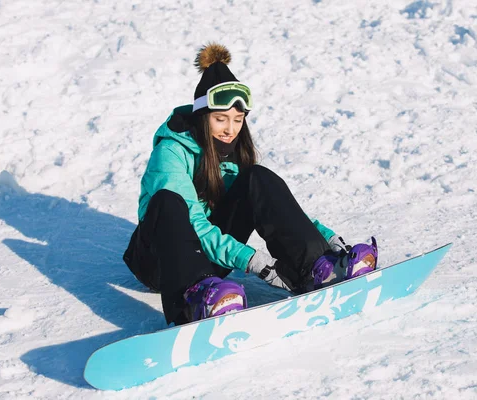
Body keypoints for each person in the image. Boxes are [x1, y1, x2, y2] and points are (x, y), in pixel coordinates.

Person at [123, 43, 378, 326]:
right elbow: (193, 222)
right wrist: (251, 260)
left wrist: (327, 238)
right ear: (201, 116)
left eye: (238, 120)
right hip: (160, 260)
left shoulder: (233, 152)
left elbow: (282, 208)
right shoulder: (170, 152)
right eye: (220, 119)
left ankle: (316, 268)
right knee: (168, 201)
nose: (230, 130)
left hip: (209, 255)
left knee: (258, 177)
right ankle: (193, 299)